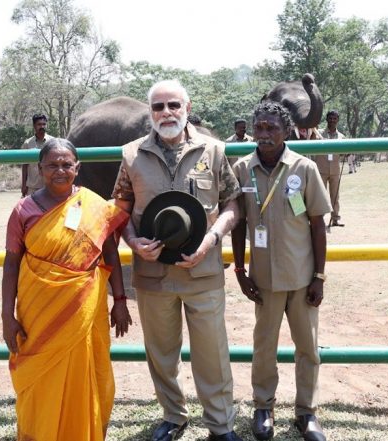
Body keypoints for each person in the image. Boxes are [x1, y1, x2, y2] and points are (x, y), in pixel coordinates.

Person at [112, 79, 243, 441]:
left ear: (187, 107)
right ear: (149, 112)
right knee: (161, 352)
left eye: (173, 105)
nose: (166, 113)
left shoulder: (214, 151)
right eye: (158, 107)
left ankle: (220, 424)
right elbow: (120, 210)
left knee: (212, 353)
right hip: (152, 274)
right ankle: (173, 415)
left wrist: (213, 239)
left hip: (202, 269)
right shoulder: (131, 155)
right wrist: (134, 242)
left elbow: (233, 203)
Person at [2, 138, 132, 441]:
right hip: (38, 310)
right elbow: (11, 264)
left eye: (66, 164)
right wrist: (7, 315)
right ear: (39, 169)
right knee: (40, 374)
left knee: (87, 370)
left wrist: (121, 300)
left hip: (85, 305)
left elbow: (110, 254)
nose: (59, 171)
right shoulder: (23, 210)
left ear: (77, 167)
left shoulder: (94, 205)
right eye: (51, 165)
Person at [231, 101, 331, 441]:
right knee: (264, 346)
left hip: (302, 279)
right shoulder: (243, 169)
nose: (264, 134)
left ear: (287, 131)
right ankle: (263, 407)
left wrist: (319, 277)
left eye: (272, 128)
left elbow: (318, 225)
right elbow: (239, 223)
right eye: (259, 127)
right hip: (264, 280)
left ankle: (307, 413)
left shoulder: (304, 168)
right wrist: (241, 270)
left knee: (308, 348)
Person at [312, 110, 346, 228]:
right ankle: (318, 220)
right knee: (320, 196)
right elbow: (311, 144)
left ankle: (335, 218)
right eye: (330, 118)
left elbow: (344, 153)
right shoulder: (318, 134)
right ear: (327, 119)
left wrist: (347, 153)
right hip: (321, 169)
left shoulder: (341, 137)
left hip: (335, 171)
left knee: (335, 196)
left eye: (335, 118)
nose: (332, 120)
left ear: (338, 120)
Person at [21, 114, 54, 197]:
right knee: (32, 209)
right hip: (32, 186)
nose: (42, 126)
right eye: (39, 124)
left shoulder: (53, 142)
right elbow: (25, 165)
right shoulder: (27, 143)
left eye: (44, 124)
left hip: (49, 185)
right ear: (34, 126)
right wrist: (23, 185)